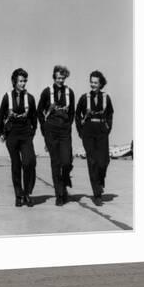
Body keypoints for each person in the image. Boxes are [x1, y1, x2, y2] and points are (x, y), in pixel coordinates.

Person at [0, 68, 37, 207]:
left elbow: (34, 118)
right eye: (20, 81)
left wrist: (31, 134)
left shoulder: (30, 98)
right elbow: (1, 115)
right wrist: (1, 132)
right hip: (12, 133)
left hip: (26, 133)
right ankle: (19, 196)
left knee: (29, 162)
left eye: (25, 81)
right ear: (14, 82)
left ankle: (27, 193)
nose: (23, 83)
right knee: (16, 165)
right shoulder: (7, 97)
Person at [37, 65, 76, 206]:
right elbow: (39, 111)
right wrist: (44, 128)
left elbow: (72, 112)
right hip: (51, 130)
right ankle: (59, 195)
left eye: (63, 78)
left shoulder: (69, 92)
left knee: (66, 161)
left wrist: (68, 125)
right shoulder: (47, 92)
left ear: (65, 78)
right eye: (58, 77)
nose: (60, 80)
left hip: (64, 131)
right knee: (55, 163)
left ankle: (65, 180)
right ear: (54, 77)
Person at [75, 70, 114, 206]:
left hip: (102, 131)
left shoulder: (106, 97)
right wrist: (80, 131)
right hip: (89, 132)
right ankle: (97, 194)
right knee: (92, 162)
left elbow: (110, 114)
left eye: (96, 83)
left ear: (101, 83)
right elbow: (77, 114)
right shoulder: (84, 98)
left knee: (104, 161)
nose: (93, 85)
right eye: (91, 82)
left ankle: (100, 180)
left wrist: (108, 128)